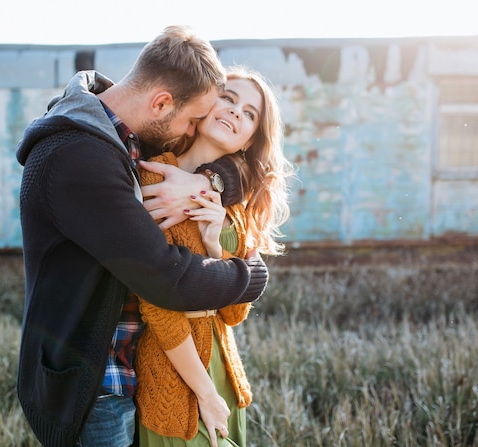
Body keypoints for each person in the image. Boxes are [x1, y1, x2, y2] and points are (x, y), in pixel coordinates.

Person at [14, 26, 269, 447]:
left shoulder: (123, 135)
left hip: (134, 372)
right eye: (192, 119)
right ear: (161, 103)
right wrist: (251, 277)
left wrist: (212, 183)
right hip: (94, 385)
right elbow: (164, 279)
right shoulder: (80, 158)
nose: (192, 129)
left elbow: (241, 163)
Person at [135, 67, 293, 447]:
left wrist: (213, 246)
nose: (237, 112)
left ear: (249, 139)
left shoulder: (234, 207)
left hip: (225, 372)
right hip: (175, 376)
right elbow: (156, 305)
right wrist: (205, 393)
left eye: (250, 114)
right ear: (206, 103)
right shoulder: (155, 178)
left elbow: (234, 313)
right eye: (229, 98)